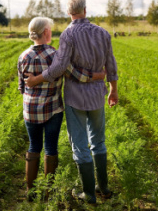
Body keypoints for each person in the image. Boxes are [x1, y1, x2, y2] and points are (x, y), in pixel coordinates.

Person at [26, 0, 119, 204]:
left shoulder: (68, 34)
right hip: (97, 96)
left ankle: (89, 193)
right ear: (85, 10)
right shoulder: (103, 33)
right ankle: (103, 188)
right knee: (98, 141)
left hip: (75, 97)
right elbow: (111, 65)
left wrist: (37, 79)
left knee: (79, 145)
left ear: (69, 13)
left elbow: (60, 67)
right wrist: (113, 90)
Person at [17, 16, 105, 201]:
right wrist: (97, 75)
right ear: (47, 32)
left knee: (33, 146)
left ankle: (30, 192)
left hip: (30, 110)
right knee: (50, 148)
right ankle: (48, 192)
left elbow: (21, 87)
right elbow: (75, 74)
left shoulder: (23, 56)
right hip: (52, 110)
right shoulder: (56, 55)